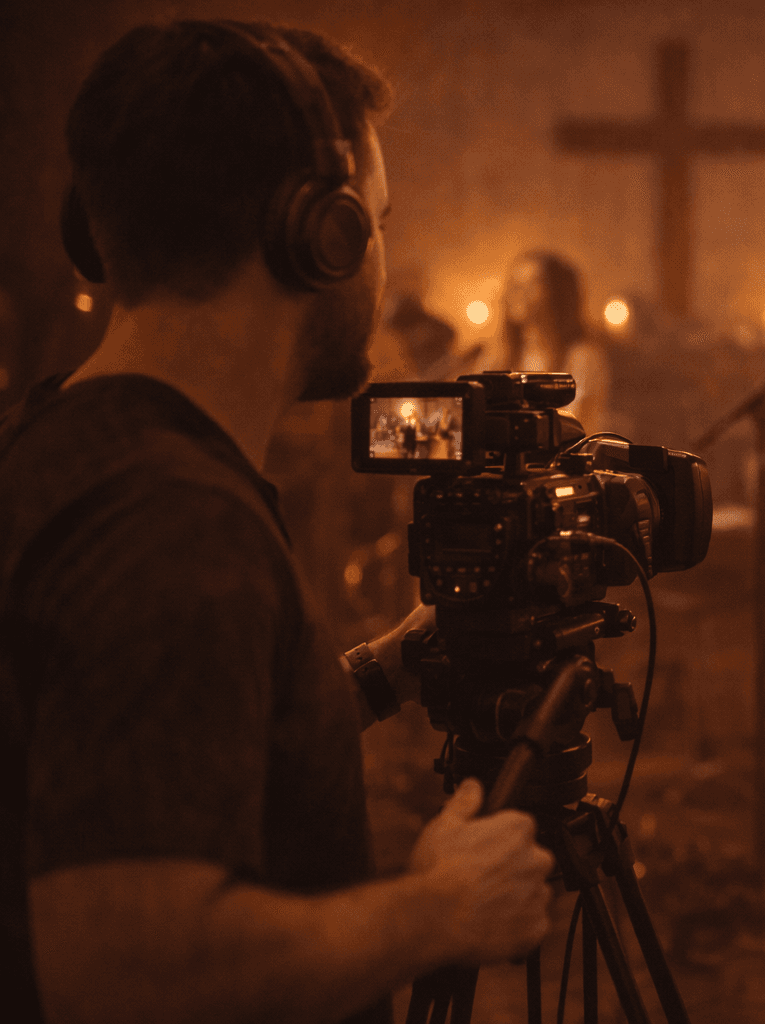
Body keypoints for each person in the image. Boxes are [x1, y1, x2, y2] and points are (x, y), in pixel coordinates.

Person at [0, 21, 554, 1024]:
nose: (379, 255)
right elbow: (122, 977)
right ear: (319, 234)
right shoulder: (174, 527)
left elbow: (149, 756)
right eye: (377, 221)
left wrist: (379, 674)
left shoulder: (64, 445)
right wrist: (436, 909)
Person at [500, 250, 613, 434]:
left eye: (532, 283)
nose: (518, 292)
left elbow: (571, 427)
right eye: (515, 284)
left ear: (557, 293)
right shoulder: (500, 359)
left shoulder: (583, 358)